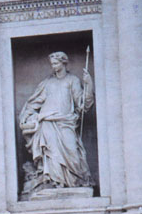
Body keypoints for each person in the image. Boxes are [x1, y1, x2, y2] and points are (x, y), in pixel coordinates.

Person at [19, 51, 94, 190]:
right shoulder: (47, 83)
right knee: (51, 154)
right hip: (47, 122)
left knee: (73, 153)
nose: (53, 66)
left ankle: (73, 182)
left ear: (63, 63)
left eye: (55, 63)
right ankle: (55, 183)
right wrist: (26, 116)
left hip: (66, 122)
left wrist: (89, 85)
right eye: (52, 64)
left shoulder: (73, 80)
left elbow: (83, 104)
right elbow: (33, 103)